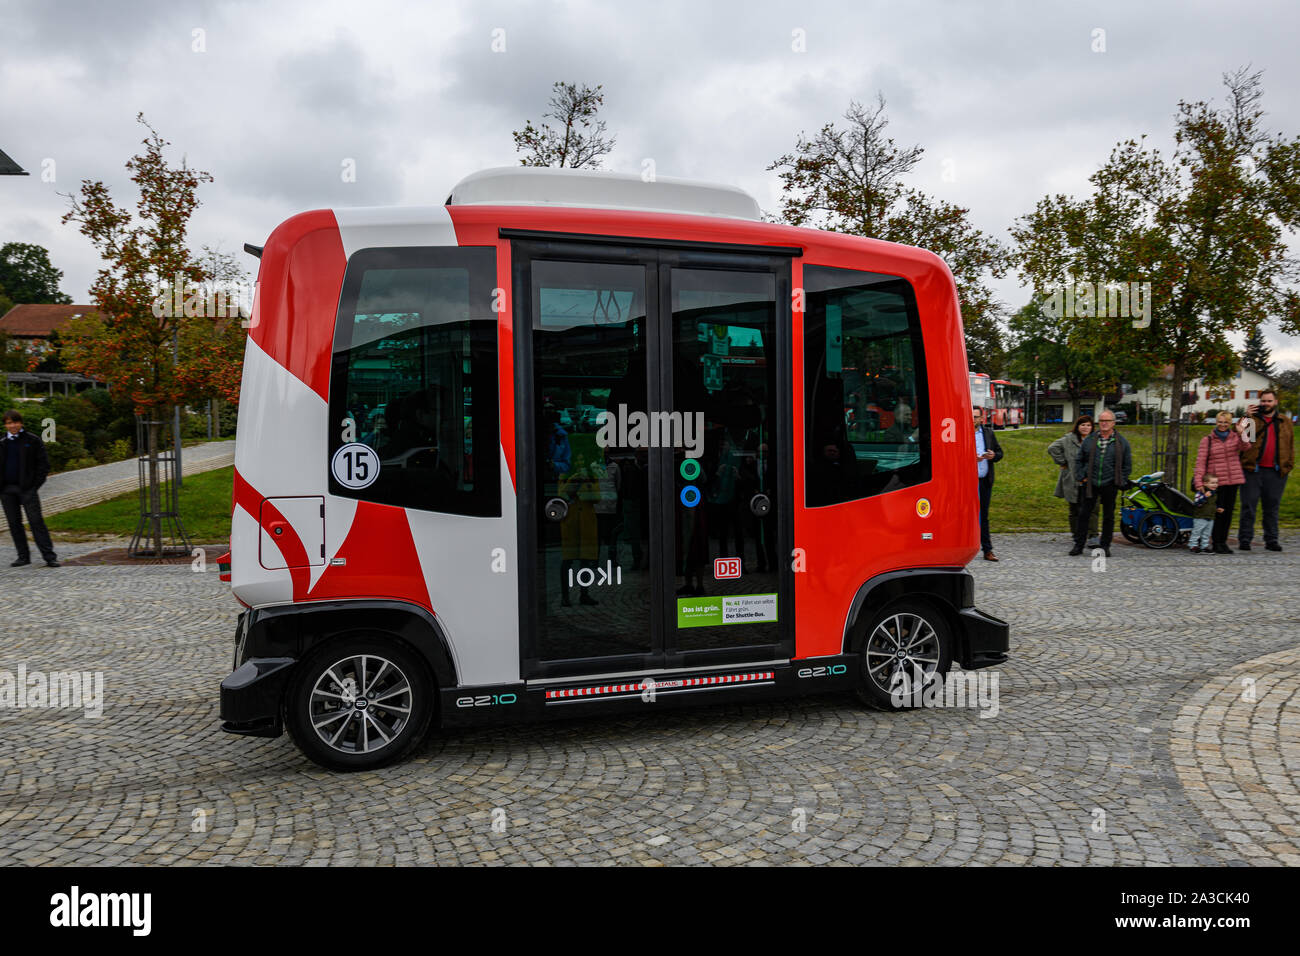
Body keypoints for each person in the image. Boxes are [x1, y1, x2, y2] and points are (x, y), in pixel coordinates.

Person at [0, 410, 59, 568]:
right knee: (14, 523)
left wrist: (33, 486)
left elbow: (43, 465)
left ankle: (49, 556)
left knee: (36, 522)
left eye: (15, 422)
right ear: (5, 425)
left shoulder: (32, 440)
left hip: (27, 489)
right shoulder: (2, 441)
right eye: (9, 423)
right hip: (6, 490)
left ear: (21, 423)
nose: (12, 426)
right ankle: (23, 556)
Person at [1237, 388, 1294, 552]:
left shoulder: (1284, 422)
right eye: (1263, 401)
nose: (1265, 404)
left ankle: (1271, 539)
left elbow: (1290, 445)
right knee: (1248, 506)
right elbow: (1242, 438)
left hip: (1276, 472)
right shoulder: (1254, 420)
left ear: (1275, 402)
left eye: (1269, 401)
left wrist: (1288, 465)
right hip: (1253, 470)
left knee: (1272, 507)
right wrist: (1246, 416)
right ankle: (1245, 539)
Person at [1071, 409, 1132, 557]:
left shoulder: (1122, 442)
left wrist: (1120, 480)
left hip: (1110, 483)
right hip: (1090, 483)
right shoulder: (1091, 439)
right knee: (1084, 514)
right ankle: (1079, 545)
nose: (1104, 424)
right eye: (1101, 421)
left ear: (1113, 423)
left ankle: (1105, 546)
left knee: (1108, 516)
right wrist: (1081, 477)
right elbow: (1079, 460)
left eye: (1107, 421)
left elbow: (1126, 465)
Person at [1193, 411, 1252, 555]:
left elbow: (1247, 447)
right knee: (1218, 512)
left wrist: (1242, 432)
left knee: (1228, 513)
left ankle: (1223, 541)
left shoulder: (1235, 437)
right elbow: (1200, 461)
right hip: (1216, 482)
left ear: (1230, 423)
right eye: (1220, 422)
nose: (1223, 425)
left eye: (1226, 422)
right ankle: (1216, 542)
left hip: (1233, 480)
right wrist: (1198, 481)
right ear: (1216, 422)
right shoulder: (1208, 440)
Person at [1047, 414, 1099, 547]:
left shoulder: (1096, 440)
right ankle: (1077, 535)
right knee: (1075, 509)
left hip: (1092, 479)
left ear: (1092, 427)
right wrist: (1063, 462)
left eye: (1088, 425)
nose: (1085, 427)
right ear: (1077, 426)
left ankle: (1093, 535)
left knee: (1093, 508)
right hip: (1073, 479)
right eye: (1083, 425)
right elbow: (1052, 448)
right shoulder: (1068, 439)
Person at [973, 407, 1003, 561]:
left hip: (984, 480)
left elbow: (1000, 453)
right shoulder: (961, 433)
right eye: (971, 417)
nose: (973, 420)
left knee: (983, 515)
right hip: (967, 482)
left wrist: (993, 456)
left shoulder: (988, 433)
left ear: (981, 419)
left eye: (976, 417)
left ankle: (987, 550)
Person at [1188, 474, 1222, 554]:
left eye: (1216, 483)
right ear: (1205, 483)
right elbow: (1197, 504)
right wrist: (1205, 497)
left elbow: (1211, 504)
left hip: (1210, 517)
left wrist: (1217, 509)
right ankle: (1193, 545)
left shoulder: (1214, 494)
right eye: (1212, 483)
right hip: (1200, 517)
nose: (1215, 485)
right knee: (1197, 532)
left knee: (1207, 533)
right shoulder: (1200, 493)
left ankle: (1204, 546)